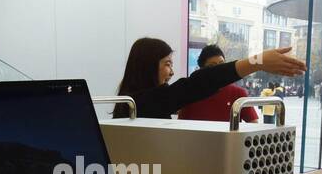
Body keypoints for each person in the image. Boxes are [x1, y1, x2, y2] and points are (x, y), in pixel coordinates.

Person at [114, 38, 304, 119]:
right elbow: (196, 84)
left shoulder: (132, 100)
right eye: (167, 64)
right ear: (148, 65)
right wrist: (257, 61)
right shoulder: (140, 102)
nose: (171, 72)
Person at [177, 45, 259, 124]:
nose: (219, 70)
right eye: (212, 66)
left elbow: (253, 123)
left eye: (222, 64)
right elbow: (180, 125)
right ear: (201, 70)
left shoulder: (238, 93)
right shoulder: (190, 93)